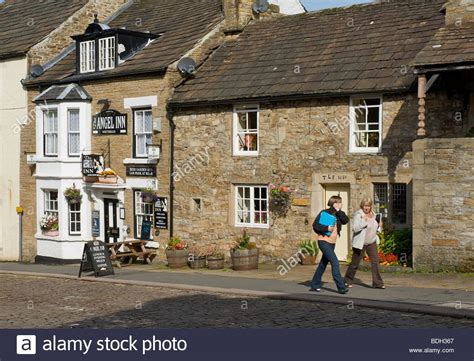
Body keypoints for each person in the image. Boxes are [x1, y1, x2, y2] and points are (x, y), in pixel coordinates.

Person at [310, 195, 350, 294]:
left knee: (323, 264)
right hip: (323, 241)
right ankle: (341, 287)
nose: (341, 204)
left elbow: (345, 220)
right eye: (339, 202)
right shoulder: (324, 213)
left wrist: (338, 211)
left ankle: (315, 284)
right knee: (335, 262)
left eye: (341, 202)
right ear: (334, 203)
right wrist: (326, 228)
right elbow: (315, 226)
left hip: (332, 242)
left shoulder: (339, 214)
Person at [344, 198, 385, 289]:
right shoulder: (359, 214)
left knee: (375, 262)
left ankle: (378, 283)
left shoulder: (375, 215)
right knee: (355, 263)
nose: (366, 208)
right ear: (362, 206)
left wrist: (380, 226)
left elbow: (377, 230)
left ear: (371, 206)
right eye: (365, 206)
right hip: (360, 243)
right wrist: (364, 221)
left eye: (368, 206)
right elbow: (355, 228)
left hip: (371, 241)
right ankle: (347, 280)